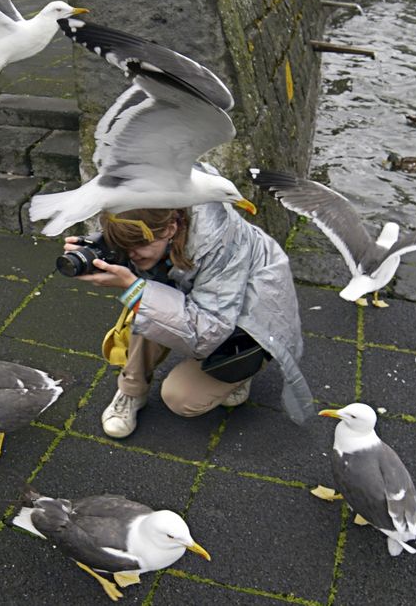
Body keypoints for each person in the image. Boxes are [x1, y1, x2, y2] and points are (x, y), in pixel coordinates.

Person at [63, 182, 312, 439]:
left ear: (171, 229)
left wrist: (133, 287)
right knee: (149, 303)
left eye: (136, 244)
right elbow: (141, 257)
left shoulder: (221, 246)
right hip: (201, 302)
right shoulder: (160, 214)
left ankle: (241, 374)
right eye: (122, 243)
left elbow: (207, 334)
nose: (131, 254)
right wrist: (102, 250)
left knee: (179, 397)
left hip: (250, 325)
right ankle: (131, 391)